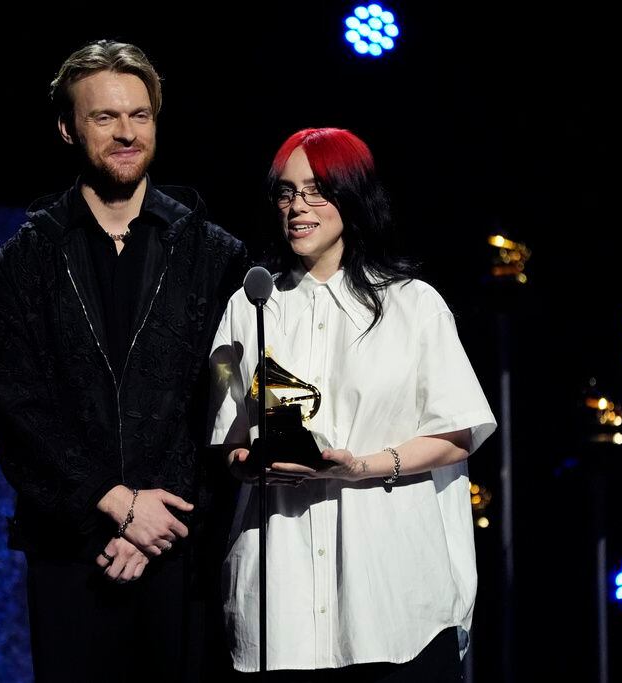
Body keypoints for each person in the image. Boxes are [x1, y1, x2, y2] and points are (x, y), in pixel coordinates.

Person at [0, 39, 247, 681]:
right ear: (68, 129)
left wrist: (161, 516)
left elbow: (227, 399)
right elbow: (16, 406)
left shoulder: (217, 256)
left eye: (139, 115)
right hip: (72, 552)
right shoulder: (21, 262)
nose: (126, 132)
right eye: (105, 117)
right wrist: (115, 502)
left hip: (185, 549)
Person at [209, 127, 496, 681]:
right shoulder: (248, 309)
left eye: (316, 190)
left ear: (353, 195)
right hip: (280, 608)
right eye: (287, 192)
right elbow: (227, 440)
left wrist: (361, 467)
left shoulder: (414, 306)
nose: (297, 206)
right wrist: (253, 466)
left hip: (392, 603)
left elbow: (458, 432)